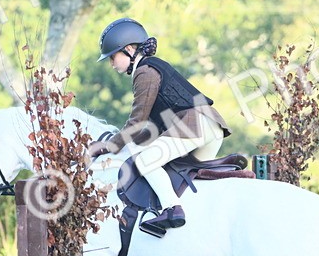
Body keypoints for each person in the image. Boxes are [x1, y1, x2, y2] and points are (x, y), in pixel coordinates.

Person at [87, 17, 231, 232]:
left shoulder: (144, 72)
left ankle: (172, 209)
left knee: (146, 161)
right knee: (173, 172)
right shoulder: (154, 67)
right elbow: (151, 128)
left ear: (128, 49)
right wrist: (128, 143)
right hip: (212, 127)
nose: (111, 63)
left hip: (193, 125)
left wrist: (109, 146)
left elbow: (137, 122)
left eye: (113, 56)